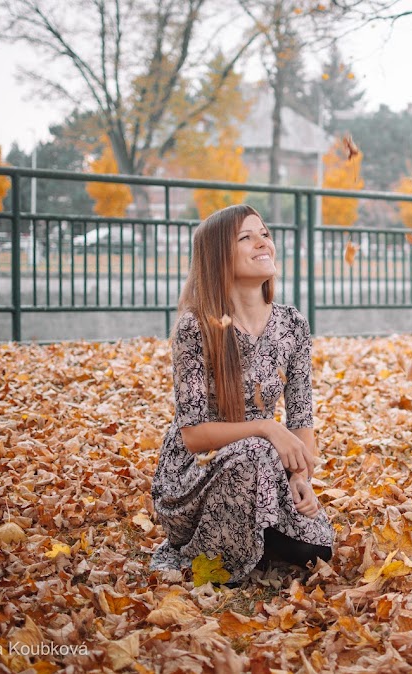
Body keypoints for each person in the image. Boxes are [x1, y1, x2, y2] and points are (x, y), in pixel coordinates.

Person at [150, 204, 333, 586]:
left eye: (264, 233)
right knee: (256, 451)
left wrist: (300, 477)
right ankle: (205, 549)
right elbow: (194, 435)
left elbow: (301, 416)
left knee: (317, 549)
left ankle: (254, 537)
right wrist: (266, 427)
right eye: (245, 237)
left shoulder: (292, 323)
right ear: (218, 257)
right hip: (196, 475)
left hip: (266, 466)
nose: (262, 242)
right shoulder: (196, 325)